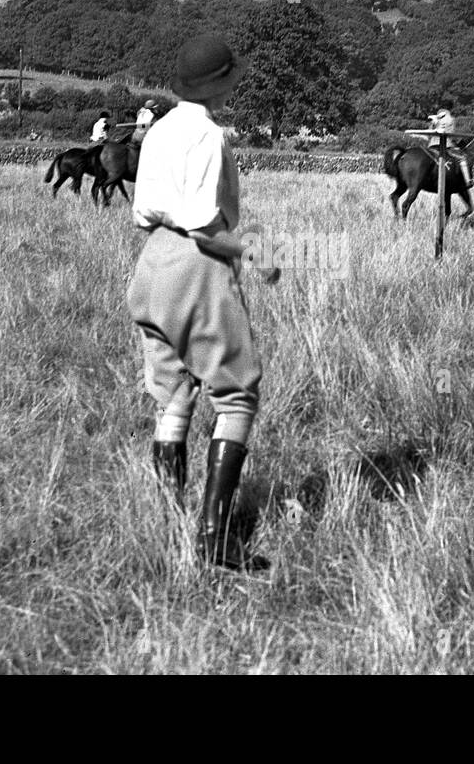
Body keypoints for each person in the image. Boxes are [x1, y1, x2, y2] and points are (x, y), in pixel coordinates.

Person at [126, 34, 279, 573]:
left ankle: (169, 528)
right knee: (237, 393)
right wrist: (260, 253)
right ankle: (215, 542)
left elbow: (148, 209)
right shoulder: (209, 136)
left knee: (174, 394)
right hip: (196, 264)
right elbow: (203, 225)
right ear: (221, 82)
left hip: (151, 266)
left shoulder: (158, 131)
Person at [427, 98, 474, 189]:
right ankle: (468, 181)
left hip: (432, 145)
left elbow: (430, 132)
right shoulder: (450, 119)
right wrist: (459, 142)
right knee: (462, 158)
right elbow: (451, 135)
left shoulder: (434, 118)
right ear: (451, 108)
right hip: (445, 146)